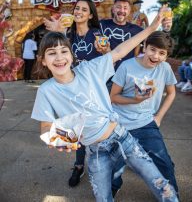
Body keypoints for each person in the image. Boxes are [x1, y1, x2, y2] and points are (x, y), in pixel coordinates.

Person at [31, 12, 179, 202]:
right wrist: (57, 139)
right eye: (52, 53)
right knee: (103, 196)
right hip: (96, 151)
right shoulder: (46, 91)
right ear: (43, 60)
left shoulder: (89, 69)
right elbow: (45, 128)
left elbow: (119, 51)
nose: (59, 58)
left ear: (71, 55)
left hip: (122, 136)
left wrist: (150, 29)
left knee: (159, 182)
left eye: (63, 51)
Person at [110, 31, 179, 197]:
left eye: (162, 53)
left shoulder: (165, 68)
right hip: (119, 123)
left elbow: (171, 93)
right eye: (152, 49)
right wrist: (135, 100)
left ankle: (171, 195)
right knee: (114, 166)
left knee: (165, 164)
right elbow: (112, 97)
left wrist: (158, 118)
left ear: (166, 55)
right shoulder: (126, 66)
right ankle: (113, 186)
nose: (156, 56)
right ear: (145, 46)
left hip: (146, 122)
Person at [44, 0, 102, 187]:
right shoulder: (68, 35)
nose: (78, 12)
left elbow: (106, 59)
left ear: (90, 15)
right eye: (77, 8)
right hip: (74, 87)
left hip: (94, 88)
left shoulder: (96, 34)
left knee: (96, 126)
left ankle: (101, 165)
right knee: (78, 125)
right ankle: (79, 166)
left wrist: (106, 50)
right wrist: (59, 30)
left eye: (84, 9)